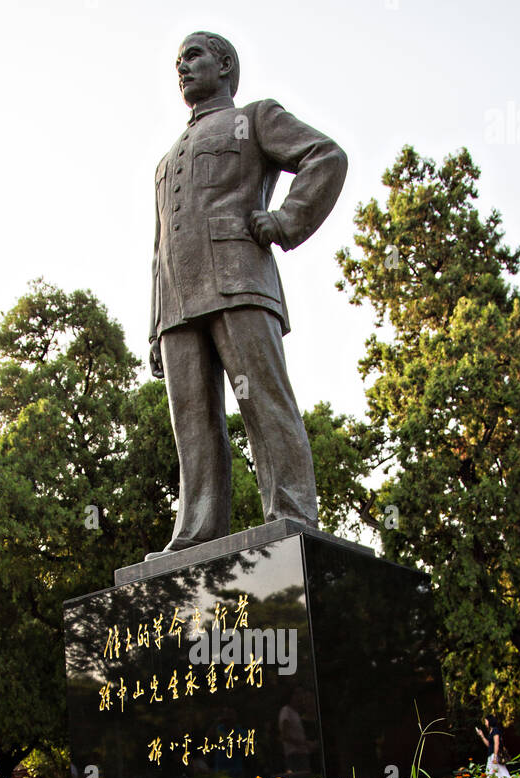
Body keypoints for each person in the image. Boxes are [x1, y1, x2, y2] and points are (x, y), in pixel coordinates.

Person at [147, 31, 348, 556]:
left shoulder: (256, 117)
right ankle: (197, 528)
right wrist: (155, 324)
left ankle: (291, 512)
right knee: (191, 419)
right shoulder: (166, 159)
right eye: (178, 62)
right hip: (177, 303)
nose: (183, 68)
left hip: (238, 280)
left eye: (194, 57)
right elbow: (159, 243)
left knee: (262, 398)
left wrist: (285, 220)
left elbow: (325, 155)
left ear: (225, 64)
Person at [475, 714, 510, 778]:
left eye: (486, 722)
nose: (485, 724)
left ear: (490, 721)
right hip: (491, 755)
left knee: (501, 771)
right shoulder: (491, 732)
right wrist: (482, 735)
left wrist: (495, 757)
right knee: (490, 772)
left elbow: (497, 743)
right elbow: (489, 745)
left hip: (495, 755)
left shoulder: (495, 731)